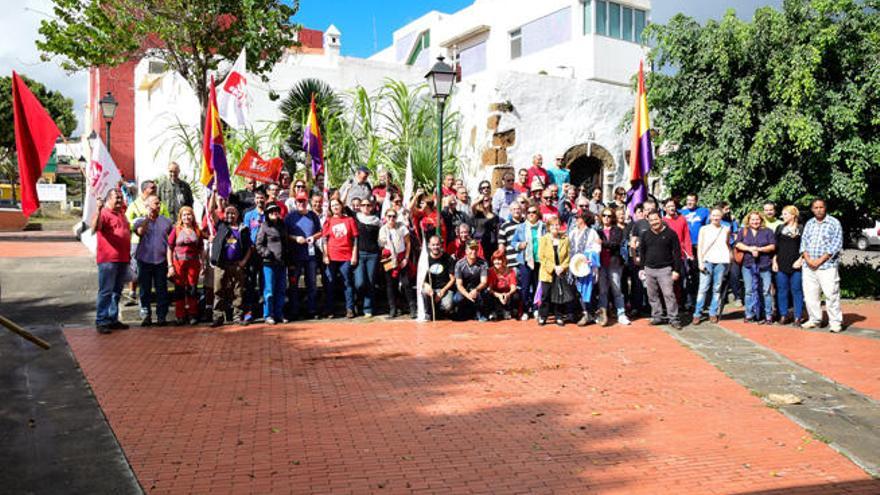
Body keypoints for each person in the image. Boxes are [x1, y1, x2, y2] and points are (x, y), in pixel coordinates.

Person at [91, 188, 131, 334]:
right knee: (106, 291)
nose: (120, 200)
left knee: (116, 292)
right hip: (108, 260)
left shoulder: (121, 214)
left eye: (121, 197)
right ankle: (101, 320)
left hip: (122, 259)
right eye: (117, 198)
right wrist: (98, 209)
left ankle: (112, 318)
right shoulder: (104, 213)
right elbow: (94, 228)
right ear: (108, 199)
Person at [800, 198, 843, 332]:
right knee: (810, 295)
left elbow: (836, 245)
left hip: (827, 266)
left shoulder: (834, 223)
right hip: (808, 266)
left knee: (831, 294)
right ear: (812, 209)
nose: (818, 210)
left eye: (821, 207)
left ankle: (835, 322)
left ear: (825, 208)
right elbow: (803, 243)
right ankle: (815, 319)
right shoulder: (809, 223)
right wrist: (808, 259)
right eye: (816, 208)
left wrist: (819, 261)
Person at [131, 194, 173, 327]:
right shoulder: (139, 220)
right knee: (145, 290)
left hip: (160, 261)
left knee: (162, 289)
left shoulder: (166, 221)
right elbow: (140, 232)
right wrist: (146, 218)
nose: (158, 206)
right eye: (155, 204)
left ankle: (161, 316)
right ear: (147, 205)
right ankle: (146, 315)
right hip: (144, 260)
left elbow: (172, 239)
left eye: (159, 204)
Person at [638, 211, 683, 329]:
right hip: (649, 269)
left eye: (656, 219)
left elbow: (677, 253)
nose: (654, 222)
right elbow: (642, 252)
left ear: (661, 219)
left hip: (665, 269)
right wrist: (642, 268)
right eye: (651, 220)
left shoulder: (671, 234)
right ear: (648, 221)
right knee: (652, 295)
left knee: (669, 294)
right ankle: (657, 316)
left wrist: (676, 270)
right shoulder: (645, 235)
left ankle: (673, 318)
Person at [210, 205, 252, 326]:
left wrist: (244, 261)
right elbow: (212, 210)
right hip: (221, 264)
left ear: (237, 215)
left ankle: (237, 316)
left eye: (233, 213)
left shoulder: (243, 229)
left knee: (238, 291)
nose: (230, 215)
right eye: (228, 213)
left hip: (237, 264)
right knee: (218, 290)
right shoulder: (221, 226)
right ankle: (218, 316)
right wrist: (213, 192)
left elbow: (249, 247)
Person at [285, 192, 322, 320]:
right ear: (295, 203)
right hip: (295, 256)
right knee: (293, 284)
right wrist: (295, 238)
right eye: (299, 201)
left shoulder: (313, 216)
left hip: (310, 256)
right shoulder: (290, 217)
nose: (301, 203)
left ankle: (311, 309)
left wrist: (313, 237)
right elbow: (285, 234)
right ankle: (294, 310)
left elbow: (320, 232)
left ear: (308, 202)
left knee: (311, 283)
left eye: (304, 201)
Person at [735, 211, 776, 324]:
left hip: (764, 264)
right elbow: (737, 244)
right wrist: (750, 249)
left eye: (757, 219)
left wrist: (759, 249)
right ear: (748, 220)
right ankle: (749, 313)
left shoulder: (768, 231)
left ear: (761, 220)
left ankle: (768, 315)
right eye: (752, 219)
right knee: (749, 290)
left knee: (766, 291)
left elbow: (772, 246)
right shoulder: (743, 231)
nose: (755, 221)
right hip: (748, 265)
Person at [692, 208, 731, 324]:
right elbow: (700, 247)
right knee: (703, 288)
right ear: (710, 217)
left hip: (721, 261)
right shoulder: (704, 229)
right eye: (713, 215)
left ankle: (713, 312)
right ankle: (697, 313)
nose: (715, 218)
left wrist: (729, 260)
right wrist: (700, 262)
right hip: (707, 260)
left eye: (718, 215)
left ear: (721, 217)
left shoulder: (726, 229)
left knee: (717, 288)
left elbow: (727, 244)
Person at [167, 206, 204, 325]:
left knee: (192, 289)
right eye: (184, 215)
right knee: (179, 289)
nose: (186, 217)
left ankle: (193, 314)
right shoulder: (176, 230)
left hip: (193, 263)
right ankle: (180, 315)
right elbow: (169, 248)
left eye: (189, 214)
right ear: (180, 217)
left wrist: (203, 264)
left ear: (192, 216)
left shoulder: (197, 230)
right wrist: (170, 266)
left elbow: (201, 248)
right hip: (179, 264)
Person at [323, 198, 359, 318]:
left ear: (341, 205)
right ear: (330, 208)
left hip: (346, 256)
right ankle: (329, 309)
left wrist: (354, 254)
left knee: (347, 282)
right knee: (330, 282)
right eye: (332, 206)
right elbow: (324, 240)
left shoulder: (349, 220)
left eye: (337, 205)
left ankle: (350, 308)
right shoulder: (328, 221)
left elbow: (355, 239)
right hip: (332, 256)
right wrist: (325, 255)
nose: (335, 207)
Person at [379, 208, 417, 318]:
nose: (391, 219)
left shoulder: (401, 227)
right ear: (385, 217)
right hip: (389, 258)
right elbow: (382, 243)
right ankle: (393, 308)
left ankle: (412, 308)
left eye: (393, 216)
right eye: (389, 216)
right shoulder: (383, 229)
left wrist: (406, 258)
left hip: (401, 256)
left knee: (406, 283)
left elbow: (408, 243)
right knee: (390, 284)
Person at [537, 217, 574, 326]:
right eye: (552, 225)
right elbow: (541, 257)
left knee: (558, 295)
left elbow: (568, 256)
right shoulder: (544, 239)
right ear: (548, 227)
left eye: (557, 225)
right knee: (545, 295)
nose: (555, 227)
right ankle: (543, 316)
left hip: (561, 272)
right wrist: (554, 267)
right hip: (547, 272)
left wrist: (563, 267)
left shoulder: (565, 239)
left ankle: (559, 316)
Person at [596, 207, 630, 326]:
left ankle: (621, 313)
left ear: (613, 218)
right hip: (601, 264)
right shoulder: (597, 231)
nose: (606, 218)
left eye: (609, 216)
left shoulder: (617, 230)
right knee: (603, 291)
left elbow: (615, 244)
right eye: (604, 215)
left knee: (617, 289)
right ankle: (602, 313)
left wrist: (602, 243)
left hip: (614, 264)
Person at [255, 204, 288, 325]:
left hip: (282, 263)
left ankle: (279, 314)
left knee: (281, 290)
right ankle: (268, 314)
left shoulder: (283, 225)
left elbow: (286, 243)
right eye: (271, 211)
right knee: (269, 291)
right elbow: (258, 244)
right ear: (267, 214)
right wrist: (267, 253)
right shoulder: (264, 226)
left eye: (276, 211)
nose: (274, 213)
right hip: (269, 264)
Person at [512, 205, 545, 320]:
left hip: (539, 261)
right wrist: (519, 245)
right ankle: (525, 310)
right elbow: (513, 242)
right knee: (525, 288)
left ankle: (536, 309)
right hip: (525, 261)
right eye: (529, 212)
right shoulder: (521, 227)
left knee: (538, 287)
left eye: (534, 212)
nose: (531, 214)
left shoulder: (543, 227)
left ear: (538, 214)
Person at [568, 210, 601, 326]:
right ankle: (580, 313)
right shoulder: (572, 232)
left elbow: (597, 247)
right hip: (574, 265)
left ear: (584, 219)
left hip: (585, 266)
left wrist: (590, 257)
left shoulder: (592, 232)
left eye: (578, 217)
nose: (576, 219)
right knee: (575, 290)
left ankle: (588, 313)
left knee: (586, 290)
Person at [773, 205, 804, 326]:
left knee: (797, 290)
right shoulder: (780, 228)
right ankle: (783, 315)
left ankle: (798, 316)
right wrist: (774, 261)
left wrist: (801, 259)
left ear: (793, 215)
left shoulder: (801, 229)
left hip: (796, 264)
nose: (783, 216)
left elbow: (805, 247)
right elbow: (776, 247)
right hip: (781, 264)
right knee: (781, 290)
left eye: (785, 214)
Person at [242, 188, 268, 322]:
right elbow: (245, 234)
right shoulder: (248, 215)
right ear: (254, 199)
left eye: (262, 198)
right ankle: (249, 312)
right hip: (252, 254)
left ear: (266, 199)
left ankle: (266, 312)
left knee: (265, 283)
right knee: (250, 284)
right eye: (257, 198)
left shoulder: (269, 214)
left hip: (265, 254)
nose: (260, 200)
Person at [680, 194, 709, 309]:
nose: (689, 202)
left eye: (692, 200)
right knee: (686, 273)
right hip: (685, 246)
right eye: (688, 200)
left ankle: (700, 300)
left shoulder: (704, 211)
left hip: (699, 245)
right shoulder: (681, 212)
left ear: (696, 201)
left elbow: (708, 227)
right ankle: (688, 300)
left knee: (698, 272)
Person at [354, 199, 381, 317]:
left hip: (373, 254)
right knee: (360, 283)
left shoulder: (377, 221)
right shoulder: (355, 218)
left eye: (368, 205)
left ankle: (367, 308)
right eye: (363, 205)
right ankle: (357, 301)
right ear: (359, 207)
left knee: (370, 282)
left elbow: (381, 237)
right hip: (359, 253)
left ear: (372, 207)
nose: (365, 207)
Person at [422, 235, 456, 319]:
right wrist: (425, 284)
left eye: (437, 244)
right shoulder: (425, 259)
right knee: (423, 292)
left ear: (441, 245)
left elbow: (453, 279)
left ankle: (439, 313)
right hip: (431, 289)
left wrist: (443, 291)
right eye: (433, 245)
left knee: (447, 306)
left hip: (444, 289)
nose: (435, 247)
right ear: (429, 246)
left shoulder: (448, 258)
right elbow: (420, 277)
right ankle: (428, 313)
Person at [453, 240, 489, 321]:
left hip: (478, 289)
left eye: (475, 249)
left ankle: (480, 313)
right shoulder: (459, 264)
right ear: (466, 251)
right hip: (464, 289)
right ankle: (464, 313)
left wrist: (476, 290)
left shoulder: (483, 263)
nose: (473, 251)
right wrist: (467, 295)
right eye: (471, 249)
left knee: (485, 294)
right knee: (457, 299)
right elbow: (459, 284)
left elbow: (484, 282)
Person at [486, 250, 520, 321]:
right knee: (487, 294)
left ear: (504, 260)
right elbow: (489, 289)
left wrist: (507, 294)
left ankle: (510, 312)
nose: (497, 262)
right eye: (495, 260)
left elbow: (513, 288)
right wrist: (499, 295)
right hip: (495, 294)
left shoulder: (511, 271)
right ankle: (493, 312)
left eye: (499, 259)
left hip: (507, 294)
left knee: (516, 295)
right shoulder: (490, 271)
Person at [498, 201, 525, 277]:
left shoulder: (527, 223)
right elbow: (501, 245)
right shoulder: (504, 226)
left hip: (525, 260)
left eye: (518, 209)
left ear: (522, 210)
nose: (516, 211)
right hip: (512, 261)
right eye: (514, 209)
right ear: (510, 211)